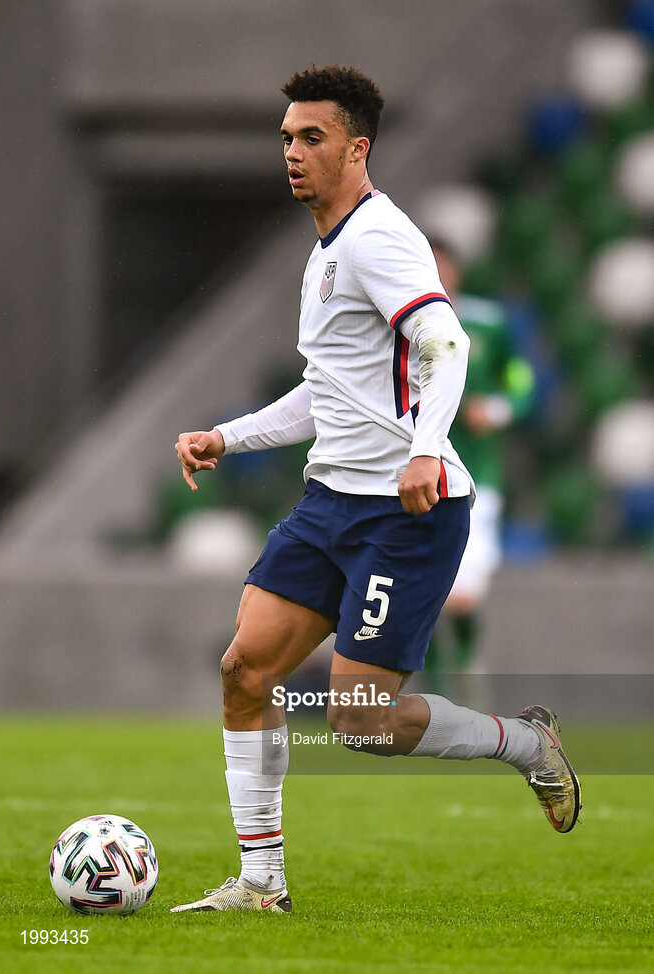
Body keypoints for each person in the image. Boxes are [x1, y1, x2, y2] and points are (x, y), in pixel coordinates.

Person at [172, 65, 581, 915]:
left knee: (360, 720)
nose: (291, 151)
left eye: (311, 137)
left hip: (405, 513)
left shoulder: (378, 237)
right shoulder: (326, 249)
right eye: (286, 137)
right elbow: (325, 395)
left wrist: (427, 450)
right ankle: (260, 883)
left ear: (356, 149)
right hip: (331, 502)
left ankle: (524, 743)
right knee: (246, 670)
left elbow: (447, 341)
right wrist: (229, 436)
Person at [426, 240, 535, 682]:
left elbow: (520, 380)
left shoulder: (488, 323)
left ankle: (468, 662)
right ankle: (433, 688)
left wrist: (494, 410)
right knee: (424, 590)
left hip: (477, 480)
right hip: (419, 475)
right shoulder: (399, 325)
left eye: (442, 265)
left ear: (457, 271)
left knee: (464, 596)